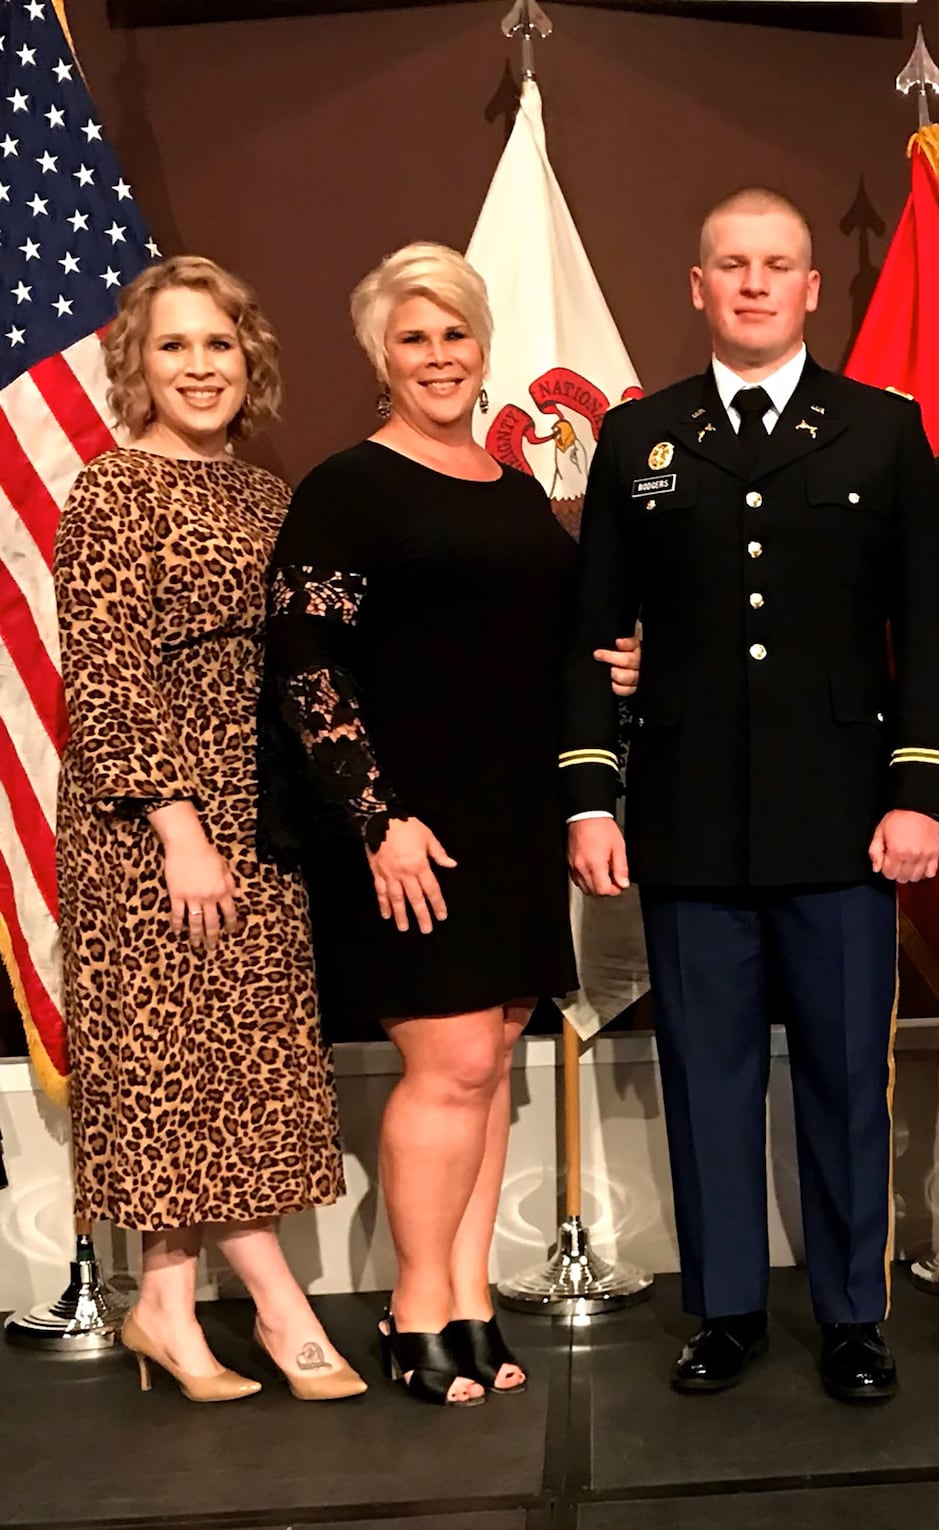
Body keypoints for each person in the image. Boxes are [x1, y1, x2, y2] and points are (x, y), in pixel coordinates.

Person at [564, 188, 939, 1403]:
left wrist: (920, 793)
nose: (751, 283)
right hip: (686, 820)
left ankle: (852, 1317)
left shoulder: (881, 431)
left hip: (847, 818)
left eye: (774, 264)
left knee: (848, 1078)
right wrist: (589, 796)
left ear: (809, 289)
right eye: (728, 264)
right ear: (696, 285)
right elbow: (595, 636)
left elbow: (932, 635)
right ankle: (726, 1309)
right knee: (707, 1078)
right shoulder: (639, 439)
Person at [262, 242, 638, 1408]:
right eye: (414, 337)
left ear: (484, 349)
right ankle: (414, 1307)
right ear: (382, 355)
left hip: (513, 811)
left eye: (456, 333)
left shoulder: (513, 487)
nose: (439, 356)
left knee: (492, 1067)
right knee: (454, 1061)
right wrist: (376, 819)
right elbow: (305, 662)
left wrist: (621, 656)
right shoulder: (347, 485)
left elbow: (567, 627)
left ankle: (469, 1299)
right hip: (408, 822)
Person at [55, 256, 361, 1403]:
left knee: (240, 1064)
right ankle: (275, 1308)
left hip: (260, 807)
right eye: (174, 345)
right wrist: (179, 827)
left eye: (218, 344)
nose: (199, 366)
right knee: (173, 1063)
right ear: (137, 363)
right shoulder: (108, 492)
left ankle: (169, 1307)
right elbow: (109, 680)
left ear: (251, 360)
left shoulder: (265, 494)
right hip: (152, 820)